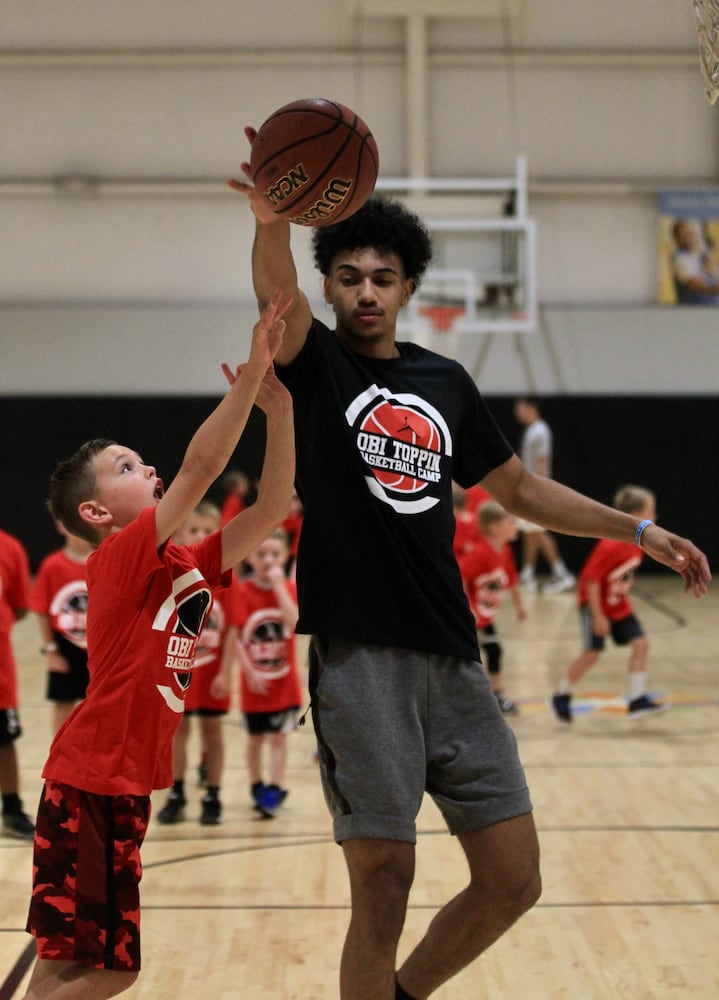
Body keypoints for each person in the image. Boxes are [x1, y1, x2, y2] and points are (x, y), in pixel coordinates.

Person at [231, 147, 710, 1000]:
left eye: (383, 277)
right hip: (359, 658)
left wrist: (635, 528)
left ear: (409, 287)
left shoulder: (443, 382)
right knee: (382, 882)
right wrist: (272, 214)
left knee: (511, 877)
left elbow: (519, 489)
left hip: (454, 657)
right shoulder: (319, 368)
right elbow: (277, 296)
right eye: (349, 277)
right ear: (331, 288)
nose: (366, 291)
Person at [21, 293, 295, 1000]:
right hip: (93, 782)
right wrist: (249, 370)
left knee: (63, 965)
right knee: (116, 970)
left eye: (143, 461)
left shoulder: (185, 566)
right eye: (127, 466)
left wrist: (281, 411)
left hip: (114, 785)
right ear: (96, 512)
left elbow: (270, 508)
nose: (149, 470)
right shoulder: (115, 559)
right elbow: (202, 467)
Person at [156, 500, 243, 826]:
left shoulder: (224, 574)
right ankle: (176, 793)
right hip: (179, 669)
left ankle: (213, 794)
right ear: (180, 532)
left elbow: (233, 627)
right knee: (178, 733)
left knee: (213, 733)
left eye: (209, 531)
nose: (202, 536)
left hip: (211, 674)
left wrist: (225, 671)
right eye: (195, 530)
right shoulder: (174, 575)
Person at [551, 484, 668, 722]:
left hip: (618, 604)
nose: (655, 517)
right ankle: (561, 695)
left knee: (641, 644)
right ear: (635, 515)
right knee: (591, 654)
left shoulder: (639, 544)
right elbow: (591, 580)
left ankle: (636, 701)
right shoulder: (611, 544)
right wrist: (597, 615)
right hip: (595, 605)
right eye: (650, 511)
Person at [236, 527, 302, 819]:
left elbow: (295, 623)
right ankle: (256, 785)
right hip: (255, 683)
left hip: (285, 683)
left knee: (279, 738)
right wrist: (247, 668)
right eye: (261, 554)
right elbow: (235, 635)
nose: (268, 561)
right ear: (249, 556)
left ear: (286, 556)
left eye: (275, 555)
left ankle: (275, 787)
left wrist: (279, 587)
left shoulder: (288, 589)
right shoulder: (241, 591)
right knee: (255, 739)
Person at [458, 500, 527, 715]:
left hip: (485, 616)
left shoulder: (504, 550)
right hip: (471, 617)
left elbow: (512, 578)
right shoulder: (480, 553)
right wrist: (468, 609)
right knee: (473, 657)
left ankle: (494, 696)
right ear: (494, 526)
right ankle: (476, 698)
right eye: (510, 521)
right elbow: (459, 575)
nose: (515, 525)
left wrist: (519, 606)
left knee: (493, 651)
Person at [29, 520, 93, 734]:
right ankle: (59, 758)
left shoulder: (103, 560)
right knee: (63, 705)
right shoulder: (52, 565)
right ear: (60, 526)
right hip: (65, 649)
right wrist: (51, 652)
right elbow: (41, 611)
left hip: (99, 649)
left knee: (98, 707)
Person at [513, 396, 576, 594]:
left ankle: (561, 573)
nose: (517, 413)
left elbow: (542, 462)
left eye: (520, 408)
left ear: (531, 407)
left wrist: (537, 489)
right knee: (530, 532)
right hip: (530, 488)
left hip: (536, 490)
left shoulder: (540, 431)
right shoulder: (532, 430)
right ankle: (528, 574)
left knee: (538, 532)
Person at [0, 525, 34, 839]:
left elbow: (21, 605)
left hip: (1, 673)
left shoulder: (9, 548)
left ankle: (11, 808)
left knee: (5, 739)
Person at [670, 218, 719, 304]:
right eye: (683, 234)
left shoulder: (700, 255)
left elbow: (714, 275)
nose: (687, 236)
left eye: (689, 232)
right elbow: (700, 288)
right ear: (676, 238)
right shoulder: (680, 259)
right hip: (696, 312)